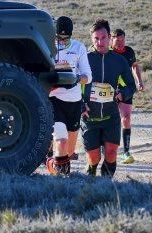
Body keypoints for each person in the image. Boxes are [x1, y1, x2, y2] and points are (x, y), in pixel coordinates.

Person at [82, 19, 137, 177]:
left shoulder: (119, 61)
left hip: (111, 115)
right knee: (94, 157)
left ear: (109, 37)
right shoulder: (85, 59)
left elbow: (130, 85)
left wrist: (122, 94)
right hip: (89, 116)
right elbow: (73, 85)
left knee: (111, 153)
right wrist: (80, 105)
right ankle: (91, 171)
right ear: (92, 39)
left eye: (103, 38)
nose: (100, 42)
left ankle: (105, 185)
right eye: (96, 38)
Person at [46, 16, 92, 175]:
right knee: (62, 141)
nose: (62, 42)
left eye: (66, 38)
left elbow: (88, 76)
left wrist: (76, 78)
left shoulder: (79, 48)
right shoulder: (48, 46)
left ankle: (51, 162)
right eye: (59, 38)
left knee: (69, 151)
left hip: (74, 102)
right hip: (54, 100)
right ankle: (61, 179)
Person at [111, 28, 145, 165]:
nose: (120, 43)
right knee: (109, 119)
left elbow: (135, 66)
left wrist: (139, 81)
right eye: (117, 40)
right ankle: (104, 149)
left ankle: (126, 152)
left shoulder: (129, 51)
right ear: (111, 39)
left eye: (123, 40)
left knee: (126, 118)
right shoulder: (108, 52)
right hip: (110, 89)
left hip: (126, 89)